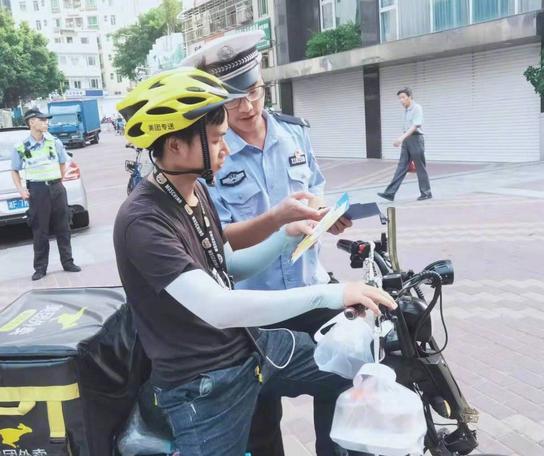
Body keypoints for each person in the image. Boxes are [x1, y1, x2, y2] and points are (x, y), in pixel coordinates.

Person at [113, 67, 395, 456]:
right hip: (203, 382)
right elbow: (217, 306)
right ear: (176, 146)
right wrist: (330, 294)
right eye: (214, 140)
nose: (225, 148)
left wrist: (285, 235)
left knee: (349, 368)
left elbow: (227, 263)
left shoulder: (194, 193)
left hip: (248, 348)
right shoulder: (143, 221)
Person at [182, 31, 355, 455]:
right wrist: (278, 224)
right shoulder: (209, 153)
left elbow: (314, 188)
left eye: (255, 92)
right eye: (234, 99)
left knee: (342, 378)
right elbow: (215, 239)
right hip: (254, 306)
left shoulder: (294, 134)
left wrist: (323, 214)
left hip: (310, 290)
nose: (248, 107)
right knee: (260, 418)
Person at [10, 108, 81, 281]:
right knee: (40, 230)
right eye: (42, 120)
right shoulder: (21, 147)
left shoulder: (54, 142)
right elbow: (14, 170)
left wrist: (57, 180)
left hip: (56, 188)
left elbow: (63, 163)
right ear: (31, 122)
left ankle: (68, 262)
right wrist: (21, 189)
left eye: (46, 120)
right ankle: (40, 268)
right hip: (37, 190)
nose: (46, 122)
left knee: (63, 227)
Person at [377, 87, 432, 202]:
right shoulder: (406, 110)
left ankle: (426, 193)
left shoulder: (417, 108)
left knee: (420, 167)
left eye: (403, 97)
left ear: (410, 97)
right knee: (401, 166)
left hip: (416, 139)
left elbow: (415, 126)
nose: (401, 100)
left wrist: (401, 138)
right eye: (399, 98)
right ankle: (390, 193)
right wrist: (403, 138)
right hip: (407, 140)